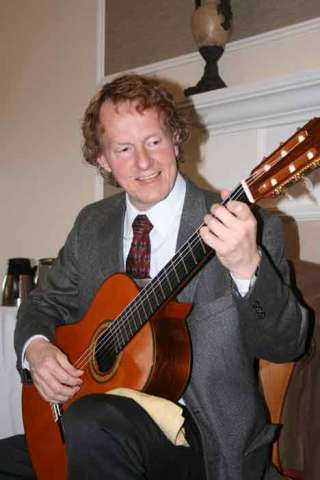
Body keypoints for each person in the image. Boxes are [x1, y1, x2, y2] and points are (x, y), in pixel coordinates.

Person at [0, 74, 309, 480]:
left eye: (154, 141)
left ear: (177, 141)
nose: (143, 162)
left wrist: (246, 267)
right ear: (103, 161)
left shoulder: (248, 227)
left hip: (205, 444)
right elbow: (43, 303)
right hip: (87, 422)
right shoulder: (92, 225)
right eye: (124, 149)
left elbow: (287, 344)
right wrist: (37, 350)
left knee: (96, 422)